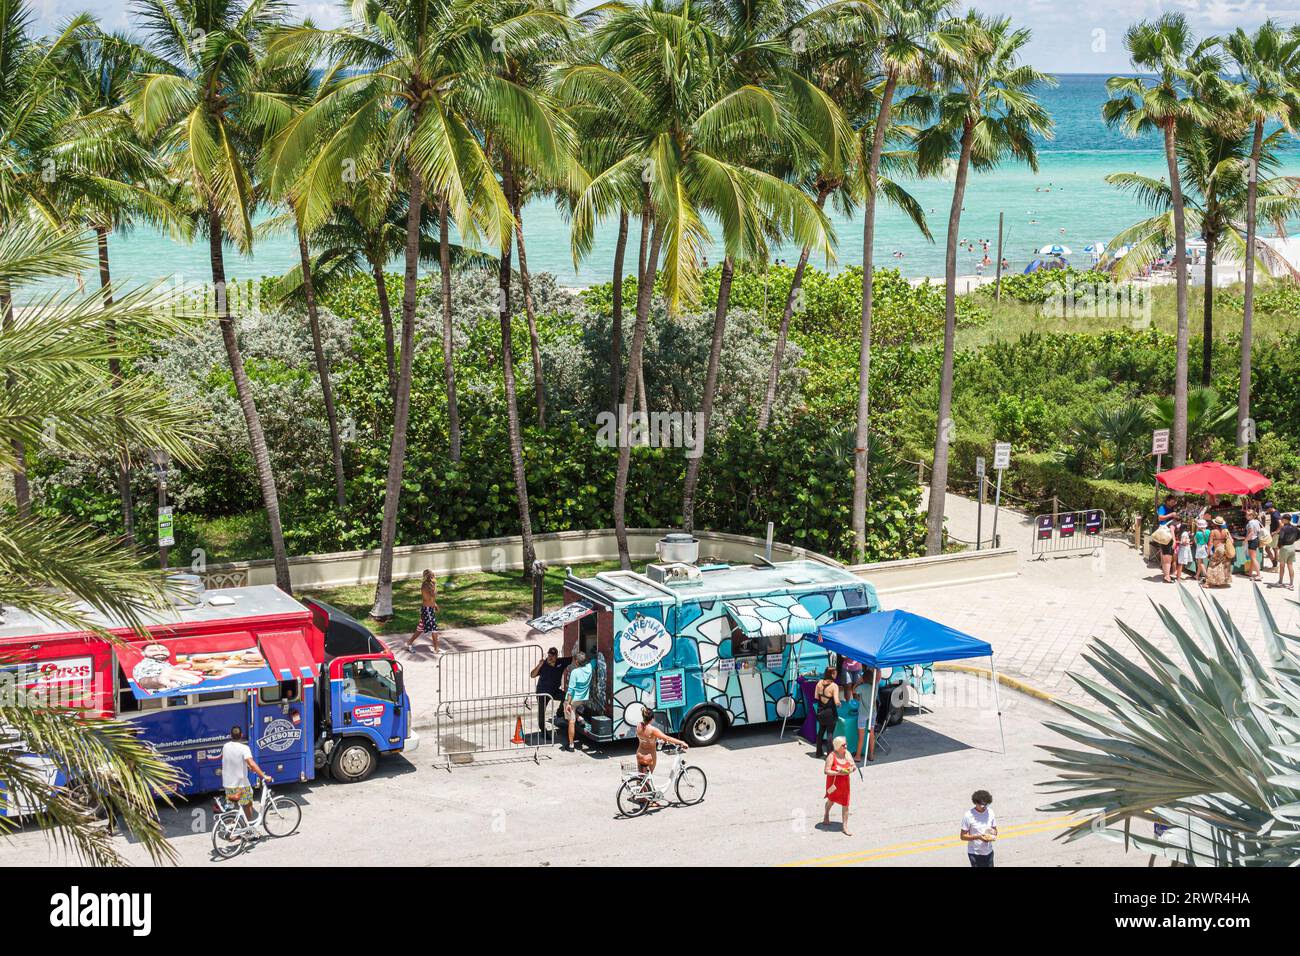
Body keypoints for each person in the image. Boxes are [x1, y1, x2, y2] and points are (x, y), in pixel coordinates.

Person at [221, 726, 270, 824]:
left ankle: (231, 829)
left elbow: (232, 760)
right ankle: (248, 827)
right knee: (248, 804)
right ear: (241, 735)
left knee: (231, 807)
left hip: (227, 783)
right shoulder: (244, 748)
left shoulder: (225, 746)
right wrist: (263, 776)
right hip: (241, 784)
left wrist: (247, 767)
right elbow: (251, 762)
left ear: (231, 735)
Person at [634, 704, 687, 778]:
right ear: (652, 719)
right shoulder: (653, 730)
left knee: (641, 778)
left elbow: (646, 738)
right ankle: (645, 789)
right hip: (649, 756)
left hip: (640, 754)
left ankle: (639, 789)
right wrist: (681, 742)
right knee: (647, 779)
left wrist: (655, 740)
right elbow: (667, 738)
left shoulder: (638, 725)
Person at [561, 651, 594, 751]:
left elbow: (570, 690)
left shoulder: (575, 672)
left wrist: (569, 703)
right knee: (571, 710)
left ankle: (571, 745)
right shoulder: (589, 668)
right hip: (584, 698)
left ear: (576, 662)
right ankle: (579, 718)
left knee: (571, 721)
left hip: (574, 700)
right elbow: (594, 660)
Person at [822, 736, 854, 836]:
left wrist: (851, 769)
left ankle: (845, 826)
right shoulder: (832, 756)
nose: (846, 746)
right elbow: (826, 771)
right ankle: (826, 814)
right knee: (831, 801)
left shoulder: (847, 754)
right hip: (834, 783)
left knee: (846, 804)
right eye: (843, 745)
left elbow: (853, 766)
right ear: (838, 746)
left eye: (846, 744)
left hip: (845, 783)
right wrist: (838, 772)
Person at [529, 647, 565, 734]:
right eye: (549, 655)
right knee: (542, 712)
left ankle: (560, 712)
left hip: (554, 691)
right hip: (542, 692)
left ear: (556, 656)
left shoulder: (561, 663)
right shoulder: (544, 664)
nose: (550, 657)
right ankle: (543, 731)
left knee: (567, 696)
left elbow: (573, 658)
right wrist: (539, 665)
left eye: (553, 656)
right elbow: (532, 675)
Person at [961, 789, 998, 867]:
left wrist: (993, 833)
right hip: (975, 853)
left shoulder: (990, 812)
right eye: (982, 804)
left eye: (986, 804)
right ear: (975, 803)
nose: (984, 807)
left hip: (989, 852)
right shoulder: (968, 815)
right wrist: (978, 837)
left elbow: (995, 830)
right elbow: (963, 836)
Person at [405, 569, 440, 651]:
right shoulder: (425, 585)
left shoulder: (432, 584)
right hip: (427, 610)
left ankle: (409, 642)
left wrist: (435, 605)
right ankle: (436, 648)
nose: (433, 577)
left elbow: (432, 598)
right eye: (432, 575)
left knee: (421, 627)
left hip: (429, 609)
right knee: (434, 629)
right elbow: (427, 598)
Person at [813, 666, 841, 758]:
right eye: (835, 673)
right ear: (832, 674)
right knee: (829, 733)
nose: (836, 675)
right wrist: (839, 704)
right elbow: (836, 701)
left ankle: (818, 752)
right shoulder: (834, 686)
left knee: (821, 732)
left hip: (820, 711)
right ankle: (829, 755)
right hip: (830, 712)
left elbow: (816, 697)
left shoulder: (819, 683)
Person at [1205, 517, 1233, 588]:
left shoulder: (1213, 531)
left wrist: (1208, 552)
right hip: (1225, 549)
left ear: (1214, 523)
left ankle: (1208, 582)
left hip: (1218, 548)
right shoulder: (1226, 530)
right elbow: (1232, 541)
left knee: (1212, 565)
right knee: (1223, 565)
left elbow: (1210, 543)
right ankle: (1221, 581)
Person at [1276, 513, 1298, 590]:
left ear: (1285, 520)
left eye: (1282, 519)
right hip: (1292, 547)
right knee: (1290, 566)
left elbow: (1281, 538)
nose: (1281, 520)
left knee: (1282, 566)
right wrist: (1293, 540)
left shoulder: (1283, 528)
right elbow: (1298, 536)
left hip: (1284, 547)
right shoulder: (1295, 528)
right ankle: (1291, 584)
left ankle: (1280, 582)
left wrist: (1279, 546)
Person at [1244, 508, 1264, 581]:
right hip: (1256, 540)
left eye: (1247, 514)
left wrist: (1245, 540)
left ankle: (1258, 575)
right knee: (1253, 558)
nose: (1246, 515)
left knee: (1253, 558)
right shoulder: (1256, 521)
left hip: (1252, 541)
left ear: (1251, 515)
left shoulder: (1250, 523)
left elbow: (1251, 533)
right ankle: (1250, 572)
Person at [1263, 502, 1281, 570]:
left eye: (1267, 509)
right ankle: (1275, 566)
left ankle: (1274, 564)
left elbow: (1281, 524)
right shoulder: (1275, 512)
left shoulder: (1275, 514)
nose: (1266, 511)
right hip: (1276, 534)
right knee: (1275, 549)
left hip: (1275, 534)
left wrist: (1275, 532)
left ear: (1270, 508)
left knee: (1267, 549)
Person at [1194, 518, 1211, 586]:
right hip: (1206, 547)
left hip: (1200, 547)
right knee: (1200, 562)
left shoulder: (1198, 533)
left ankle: (1206, 576)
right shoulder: (1208, 531)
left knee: (1200, 563)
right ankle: (1197, 575)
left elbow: (1195, 541)